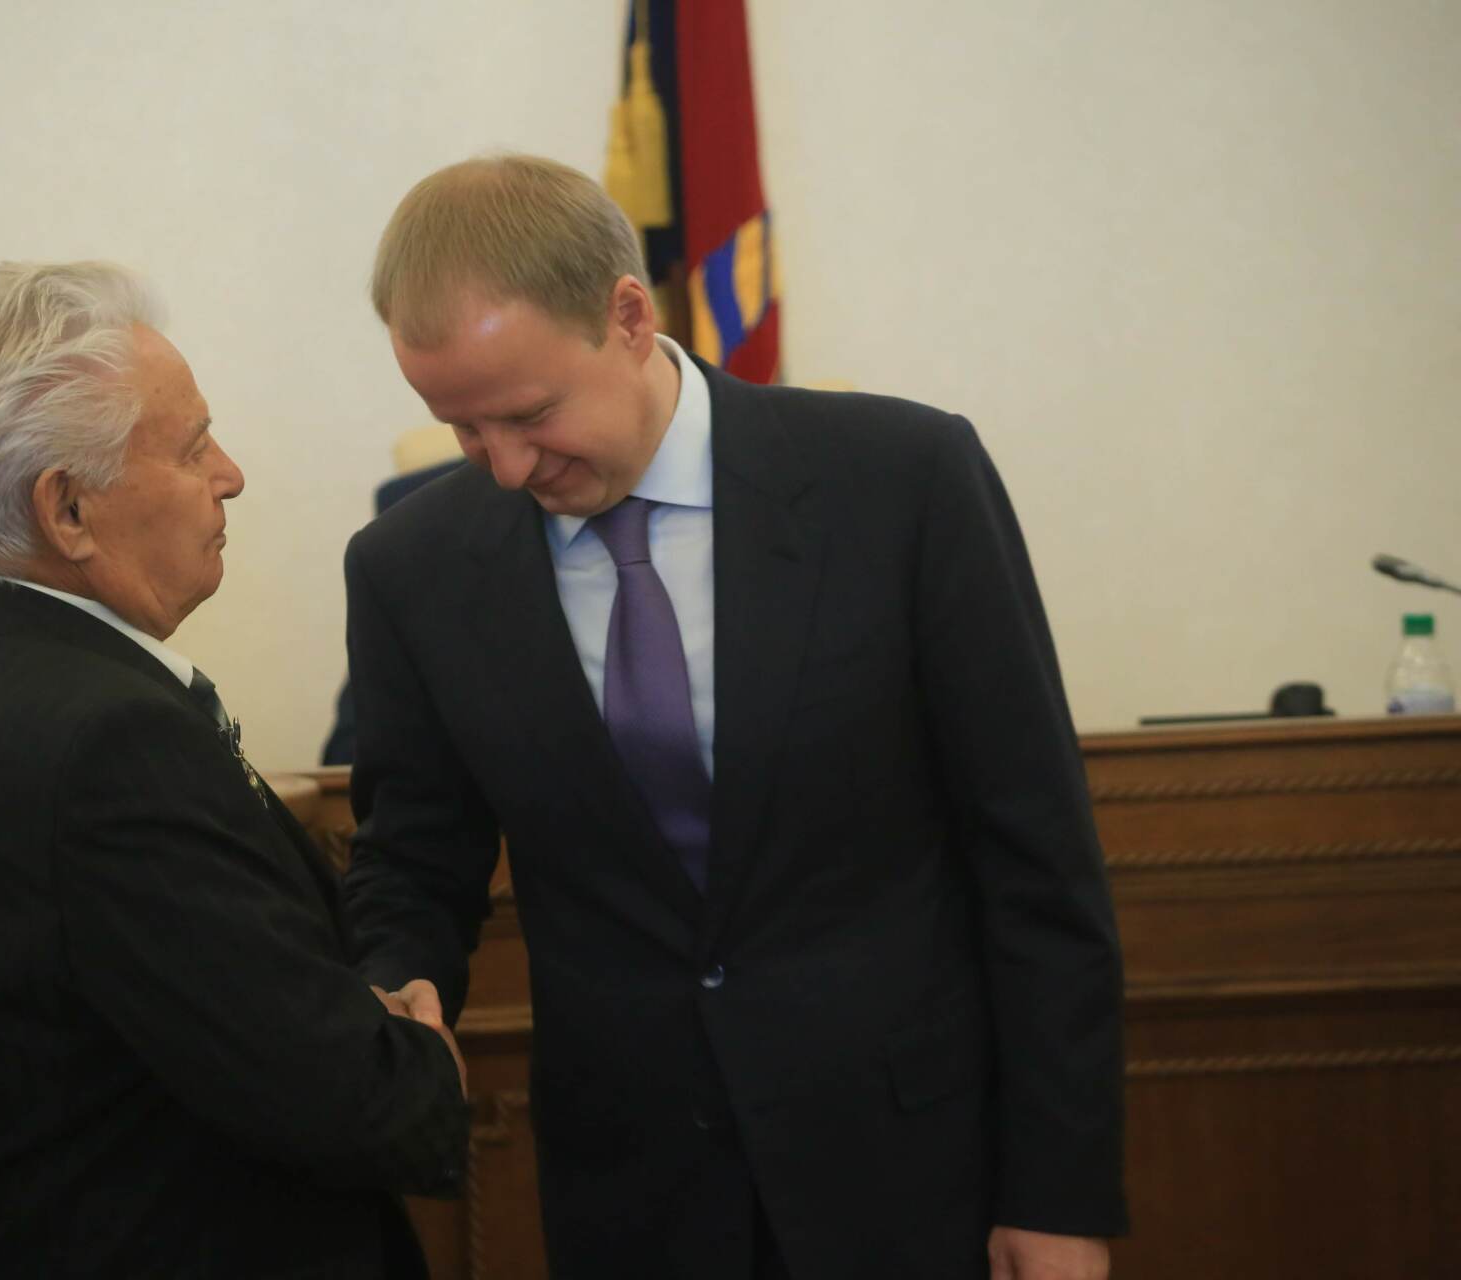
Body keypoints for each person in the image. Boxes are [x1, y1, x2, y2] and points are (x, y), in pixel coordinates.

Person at [340, 156, 1126, 1279]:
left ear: (627, 316)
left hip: (913, 1172)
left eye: (530, 415)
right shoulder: (411, 568)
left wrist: (1058, 1192)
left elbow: (1036, 858)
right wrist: (401, 978)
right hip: (637, 1197)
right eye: (462, 429)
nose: (505, 468)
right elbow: (415, 855)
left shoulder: (901, 481)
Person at [0, 261, 467, 1279]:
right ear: (67, 511)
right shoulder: (107, 742)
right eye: (193, 448)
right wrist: (419, 1061)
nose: (231, 474)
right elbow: (358, 1104)